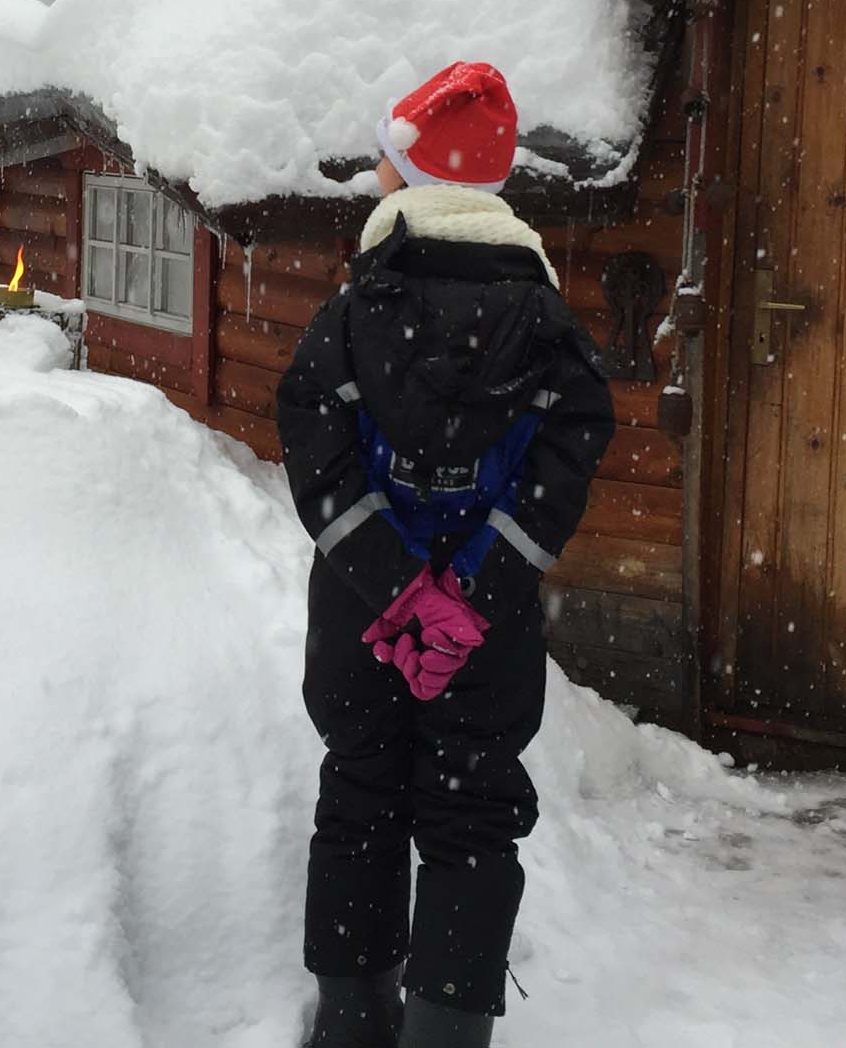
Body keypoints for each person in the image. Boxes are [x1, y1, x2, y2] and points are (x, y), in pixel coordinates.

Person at [276, 61, 615, 1048]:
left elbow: (313, 443)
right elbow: (568, 457)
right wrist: (470, 591)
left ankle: (350, 1014)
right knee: (471, 822)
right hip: (487, 629)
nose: (377, 180)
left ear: (415, 175)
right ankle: (445, 1030)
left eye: (389, 163)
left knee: (361, 789)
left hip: (359, 617)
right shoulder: (549, 324)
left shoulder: (352, 311)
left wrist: (392, 584)